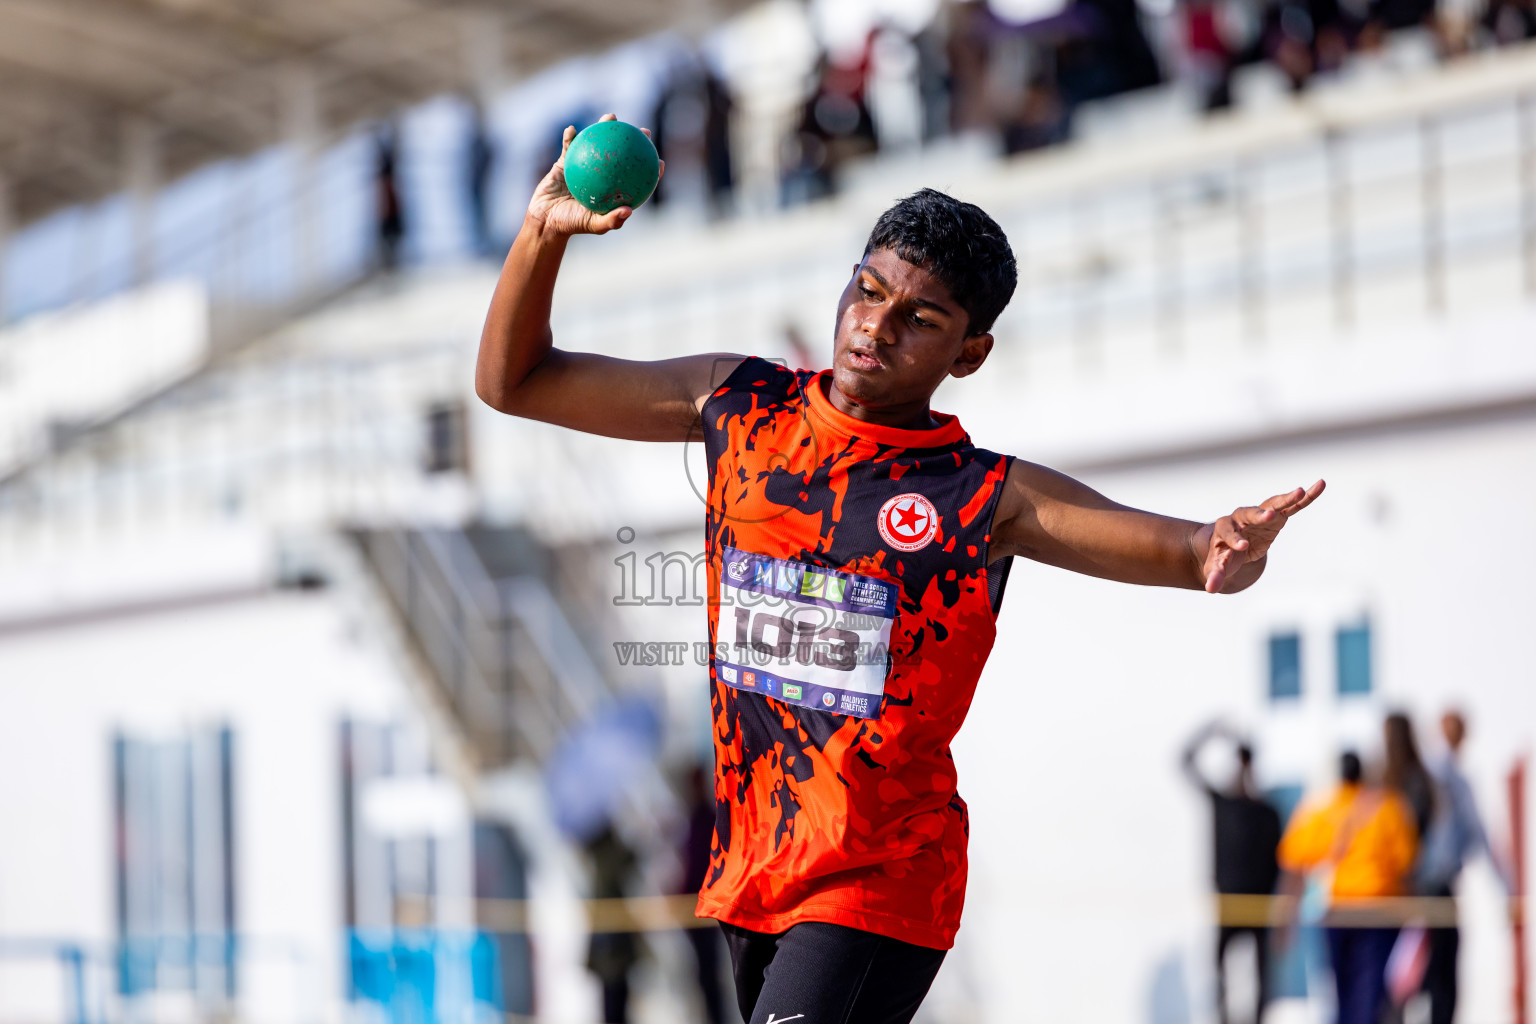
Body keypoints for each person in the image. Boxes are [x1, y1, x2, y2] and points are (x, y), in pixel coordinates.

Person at [475, 112, 1326, 1024]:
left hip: (880, 878)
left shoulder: (979, 495)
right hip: (752, 868)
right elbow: (514, 382)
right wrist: (541, 233)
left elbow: (1189, 553)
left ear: (969, 353)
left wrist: (1226, 546)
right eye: (868, 290)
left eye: (918, 317)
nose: (874, 327)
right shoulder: (739, 404)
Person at [1278, 752, 1418, 1024]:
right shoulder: (1387, 807)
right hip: (1379, 911)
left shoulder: (1324, 811)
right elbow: (1406, 861)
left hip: (1339, 911)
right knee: (1370, 990)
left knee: (1342, 988)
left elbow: (1292, 854)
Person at [1415, 710, 1512, 1024]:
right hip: (1430, 887)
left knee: (1433, 969)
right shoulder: (1441, 777)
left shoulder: (1433, 774)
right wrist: (1506, 888)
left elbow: (1478, 837)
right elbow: (1478, 836)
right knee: (1435, 969)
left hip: (1422, 887)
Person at [1182, 722, 1282, 1024]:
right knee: (1221, 966)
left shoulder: (1266, 811)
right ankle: (1224, 1018)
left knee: (1262, 972)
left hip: (1258, 904)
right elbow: (1185, 762)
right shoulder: (1223, 803)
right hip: (1228, 901)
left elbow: (1280, 861)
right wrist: (1211, 731)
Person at [678, 764, 727, 1024]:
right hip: (697, 907)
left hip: (703, 907)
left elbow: (699, 865)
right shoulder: (698, 818)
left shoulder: (705, 818)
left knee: (709, 974)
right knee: (704, 974)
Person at [583, 821, 641, 1024]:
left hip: (610, 938)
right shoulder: (607, 855)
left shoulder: (595, 855)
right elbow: (627, 862)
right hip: (611, 940)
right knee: (614, 998)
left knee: (613, 997)